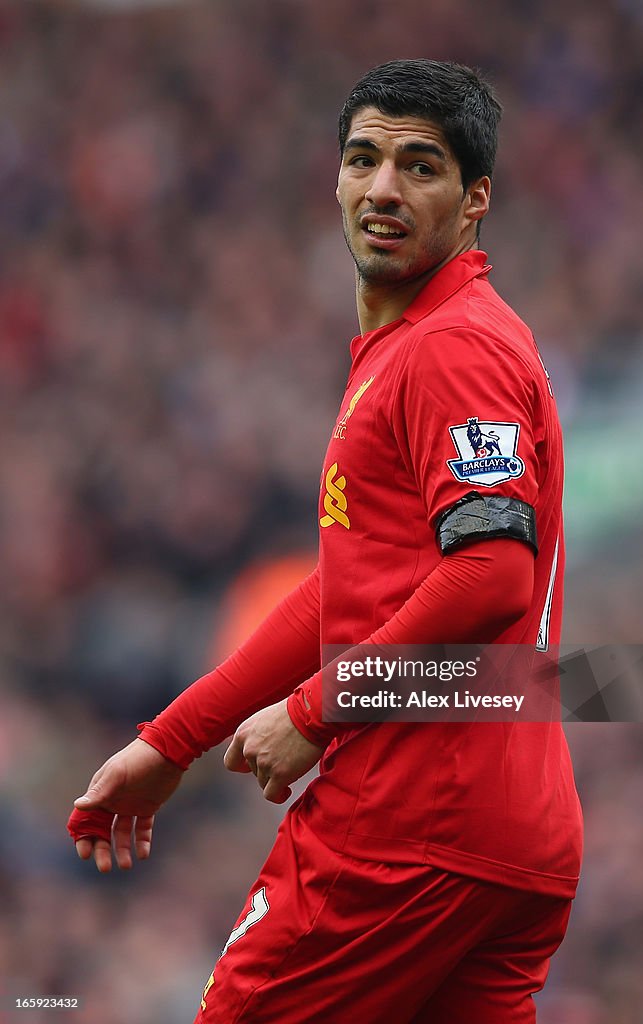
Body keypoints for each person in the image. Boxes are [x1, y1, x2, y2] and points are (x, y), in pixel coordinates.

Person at [68, 59, 583, 1023]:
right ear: (337, 179)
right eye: (364, 159)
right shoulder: (425, 345)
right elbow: (344, 594)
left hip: (409, 822)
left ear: (476, 201)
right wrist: (175, 740)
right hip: (509, 836)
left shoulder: (451, 349)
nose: (383, 188)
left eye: (420, 167)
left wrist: (312, 714)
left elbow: (492, 574)